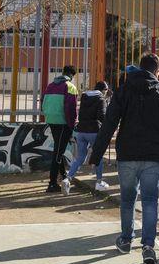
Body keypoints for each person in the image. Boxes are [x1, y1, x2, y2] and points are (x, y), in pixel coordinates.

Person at [90, 53, 159, 264]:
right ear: (157, 71)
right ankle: (148, 245)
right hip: (154, 156)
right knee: (149, 200)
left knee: (128, 199)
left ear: (140, 68)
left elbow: (110, 122)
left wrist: (97, 154)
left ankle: (126, 239)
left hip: (127, 153)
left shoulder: (123, 91)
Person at [62, 80, 110, 194]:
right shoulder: (101, 99)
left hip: (81, 132)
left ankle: (67, 179)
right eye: (106, 91)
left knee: (80, 158)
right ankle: (99, 182)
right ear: (103, 90)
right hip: (94, 131)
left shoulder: (85, 97)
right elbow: (102, 116)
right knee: (97, 157)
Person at [42, 65, 79, 194]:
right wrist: (72, 124)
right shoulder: (70, 87)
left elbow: (43, 102)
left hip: (51, 120)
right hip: (63, 122)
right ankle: (52, 183)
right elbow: (71, 109)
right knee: (58, 152)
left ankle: (63, 177)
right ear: (72, 75)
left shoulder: (50, 85)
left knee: (59, 149)